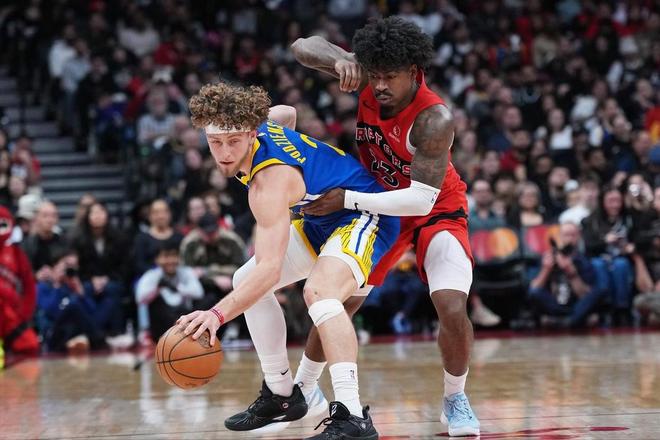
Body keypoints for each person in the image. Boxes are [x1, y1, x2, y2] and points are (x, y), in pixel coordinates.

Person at [176, 81, 399, 440]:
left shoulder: (269, 183)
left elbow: (269, 271)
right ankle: (281, 394)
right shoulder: (261, 123)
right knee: (243, 280)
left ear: (251, 134)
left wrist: (215, 315)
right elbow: (287, 113)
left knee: (320, 294)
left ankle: (353, 416)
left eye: (234, 141)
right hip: (320, 220)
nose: (225, 153)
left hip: (363, 215)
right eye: (215, 142)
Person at [292, 17, 479, 436]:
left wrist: (346, 199)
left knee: (451, 306)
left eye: (389, 77)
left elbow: (420, 200)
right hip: (381, 205)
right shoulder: (368, 75)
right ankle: (302, 389)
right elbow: (302, 45)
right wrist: (341, 60)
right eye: (373, 75)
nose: (379, 86)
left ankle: (455, 397)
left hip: (434, 206)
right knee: (336, 303)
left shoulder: (434, 118)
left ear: (413, 72)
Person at [528, 222, 603, 327]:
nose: (570, 238)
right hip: (554, 305)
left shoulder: (583, 260)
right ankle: (572, 321)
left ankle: (562, 321)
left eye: (573, 235)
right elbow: (534, 288)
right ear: (559, 236)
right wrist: (546, 269)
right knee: (534, 292)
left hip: (576, 306)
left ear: (578, 237)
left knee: (598, 291)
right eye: (566, 235)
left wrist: (572, 274)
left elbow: (585, 295)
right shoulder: (547, 257)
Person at [135, 238, 203, 340]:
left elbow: (199, 293)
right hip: (161, 323)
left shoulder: (186, 272)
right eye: (166, 256)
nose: (170, 260)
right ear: (157, 259)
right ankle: (148, 335)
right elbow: (140, 299)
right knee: (154, 302)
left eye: (174, 255)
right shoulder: (151, 276)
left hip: (183, 317)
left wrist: (177, 288)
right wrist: (156, 289)